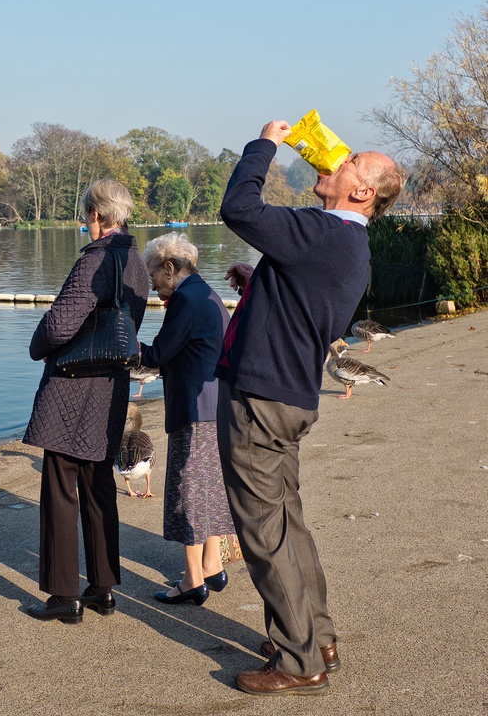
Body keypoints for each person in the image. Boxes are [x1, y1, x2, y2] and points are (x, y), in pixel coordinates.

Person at [216, 121, 406, 696]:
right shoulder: (350, 245)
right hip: (291, 395)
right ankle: (317, 635)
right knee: (288, 523)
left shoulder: (319, 231)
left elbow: (239, 208)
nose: (335, 161)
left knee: (262, 530)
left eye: (348, 163)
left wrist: (264, 145)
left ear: (362, 191)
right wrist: (262, 280)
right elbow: (306, 304)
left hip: (260, 396)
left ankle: (300, 661)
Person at [23, 178, 149, 623]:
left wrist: (36, 346)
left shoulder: (95, 261)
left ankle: (62, 595)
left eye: (85, 215)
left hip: (74, 386)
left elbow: (59, 324)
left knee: (60, 487)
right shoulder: (136, 262)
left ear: (97, 215)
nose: (84, 222)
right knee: (99, 487)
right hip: (111, 385)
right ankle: (103, 587)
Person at [136, 233, 234, 607]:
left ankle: (193, 580)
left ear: (170, 268)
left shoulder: (184, 300)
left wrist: (124, 342)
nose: (153, 286)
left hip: (193, 411)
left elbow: (159, 353)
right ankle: (212, 564)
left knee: (187, 493)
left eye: (154, 276)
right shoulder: (207, 294)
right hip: (215, 406)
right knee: (209, 488)